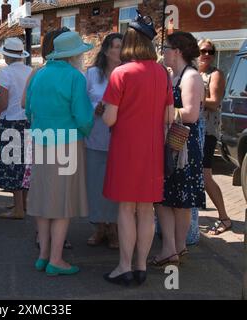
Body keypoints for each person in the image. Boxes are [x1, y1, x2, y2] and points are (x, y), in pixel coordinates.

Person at [101, 12, 174, 286]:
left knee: (125, 209)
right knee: (146, 210)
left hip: (125, 148)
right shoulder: (162, 73)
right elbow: (169, 115)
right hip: (153, 149)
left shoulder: (121, 72)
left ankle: (124, 267)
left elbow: (110, 118)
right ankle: (141, 266)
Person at [25, 31, 94, 276]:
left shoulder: (39, 73)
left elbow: (28, 108)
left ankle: (43, 255)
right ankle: (56, 259)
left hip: (41, 139)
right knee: (63, 201)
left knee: (43, 199)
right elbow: (84, 116)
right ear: (73, 56)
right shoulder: (75, 77)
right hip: (67, 142)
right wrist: (87, 131)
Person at [152, 32, 205, 267]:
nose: (162, 51)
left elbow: (191, 114)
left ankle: (177, 247)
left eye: (166, 47)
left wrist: (156, 113)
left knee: (181, 200)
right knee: (163, 198)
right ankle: (171, 248)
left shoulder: (191, 76)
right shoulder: (170, 75)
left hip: (183, 147)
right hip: (169, 143)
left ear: (178, 51)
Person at [85, 33, 122, 250]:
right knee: (96, 184)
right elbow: (83, 101)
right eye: (116, 46)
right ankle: (99, 227)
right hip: (96, 135)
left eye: (122, 47)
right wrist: (94, 108)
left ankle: (114, 228)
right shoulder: (92, 74)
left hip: (120, 137)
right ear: (107, 50)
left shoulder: (127, 74)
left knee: (116, 183)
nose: (120, 50)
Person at [0, 38, 32, 220]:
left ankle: (18, 209)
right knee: (25, 163)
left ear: (7, 55)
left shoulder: (6, 73)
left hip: (12, 121)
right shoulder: (30, 71)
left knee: (13, 164)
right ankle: (23, 204)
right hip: (28, 121)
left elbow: (4, 101)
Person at [198, 39, 231, 235]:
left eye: (211, 51)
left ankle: (224, 217)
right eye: (204, 50)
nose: (208, 54)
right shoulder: (195, 73)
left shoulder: (215, 74)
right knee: (201, 175)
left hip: (207, 131)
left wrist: (192, 95)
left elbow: (215, 102)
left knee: (205, 175)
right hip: (195, 130)